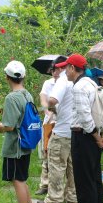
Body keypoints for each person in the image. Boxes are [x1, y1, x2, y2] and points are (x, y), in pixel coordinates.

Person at [58, 53, 103, 203]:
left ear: (73, 68)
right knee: (95, 177)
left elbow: (85, 117)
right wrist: (99, 137)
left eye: (66, 68)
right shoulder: (91, 83)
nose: (65, 71)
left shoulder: (79, 87)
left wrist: (96, 138)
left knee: (83, 179)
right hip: (92, 135)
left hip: (84, 136)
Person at [0, 61, 38, 203]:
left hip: (15, 146)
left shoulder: (12, 98)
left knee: (17, 180)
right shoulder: (28, 95)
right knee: (22, 177)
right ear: (23, 77)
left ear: (7, 77)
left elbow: (10, 126)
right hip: (26, 143)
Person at [36, 61, 78, 203]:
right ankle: (72, 198)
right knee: (73, 168)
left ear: (70, 67)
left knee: (56, 165)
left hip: (61, 131)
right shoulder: (82, 83)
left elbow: (52, 100)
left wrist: (52, 108)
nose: (60, 71)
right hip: (77, 132)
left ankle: (54, 199)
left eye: (63, 67)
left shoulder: (63, 81)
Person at [35, 66, 60, 195]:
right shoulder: (48, 83)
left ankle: (58, 186)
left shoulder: (66, 83)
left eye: (58, 69)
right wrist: (47, 111)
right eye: (53, 70)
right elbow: (43, 98)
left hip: (62, 121)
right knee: (46, 151)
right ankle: (44, 184)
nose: (55, 72)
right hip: (49, 120)